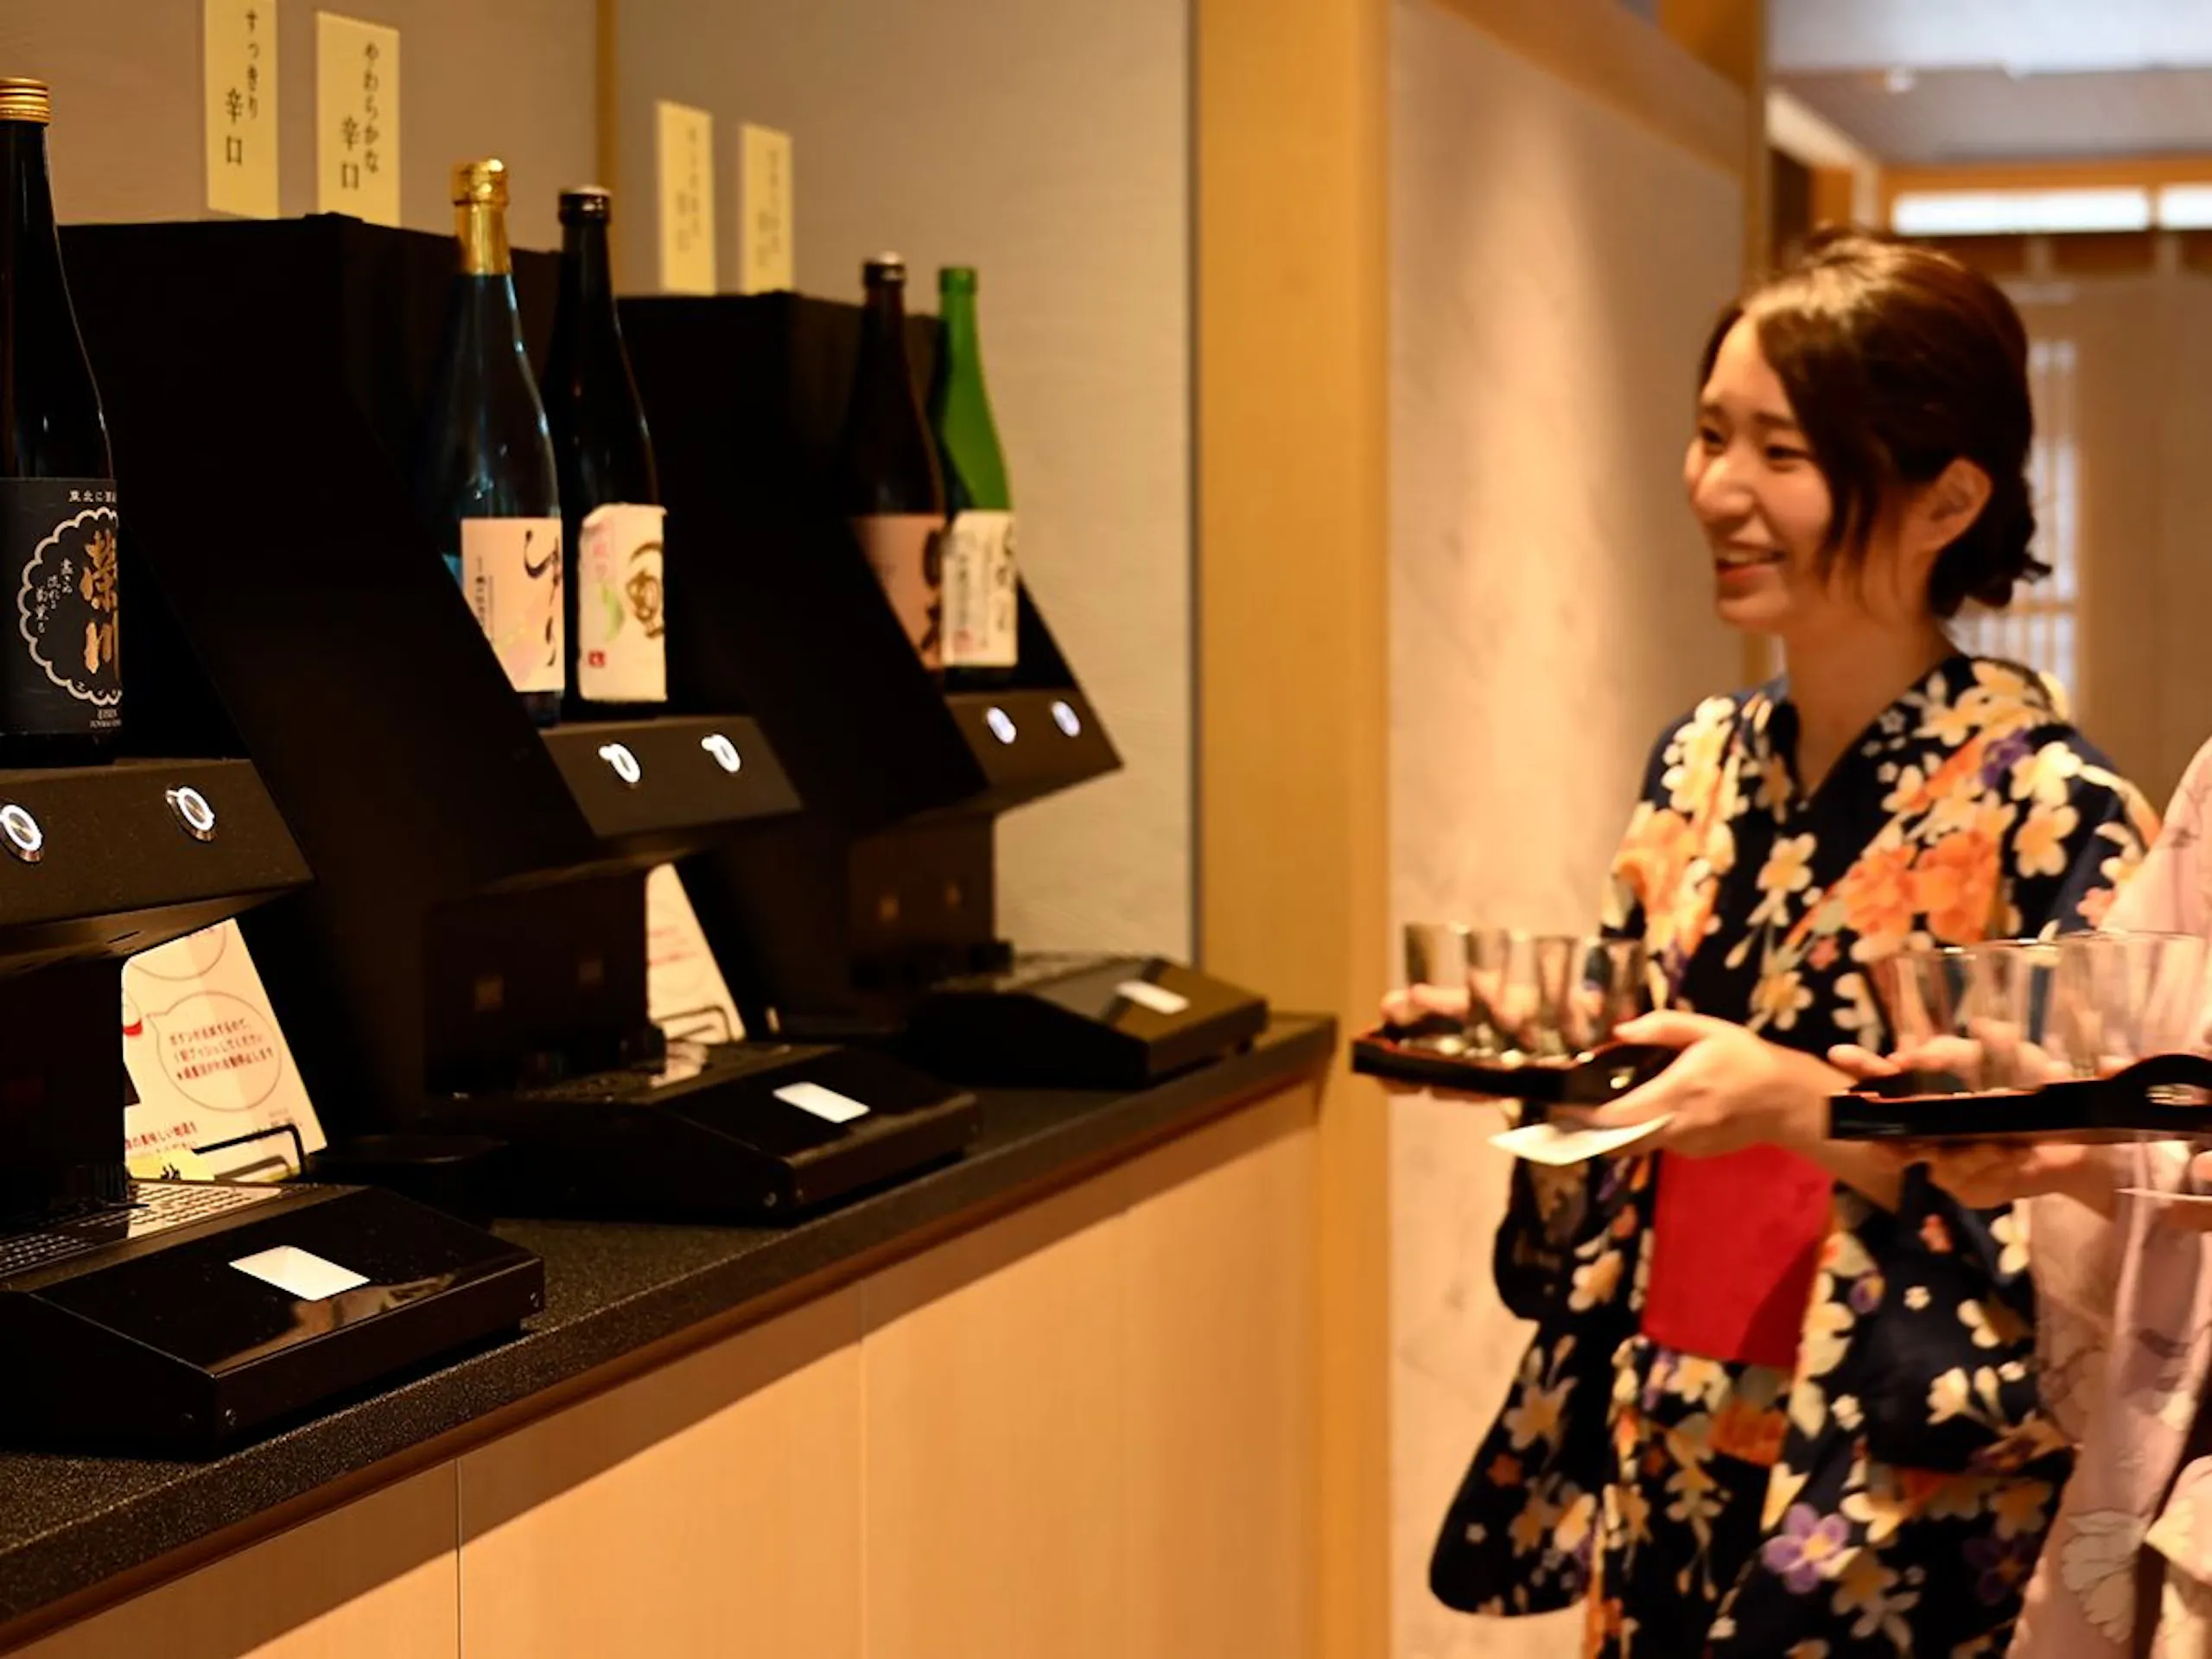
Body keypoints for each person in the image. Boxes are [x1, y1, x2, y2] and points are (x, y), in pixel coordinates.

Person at [1414, 228, 2160, 1657]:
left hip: (1895, 1473)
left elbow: (2096, 1219)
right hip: (1672, 1421)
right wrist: (1530, 1052)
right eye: (1711, 436)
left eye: (1784, 452)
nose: (1720, 490)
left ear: (1949, 499)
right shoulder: (1699, 764)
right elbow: (1627, 1095)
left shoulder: (2053, 809)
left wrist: (1796, 1105)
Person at [1850, 739, 2212, 1659]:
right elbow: (2163, 1138)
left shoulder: (2058, 792)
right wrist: (2074, 1155)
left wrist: (1777, 1094)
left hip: (1919, 1334)